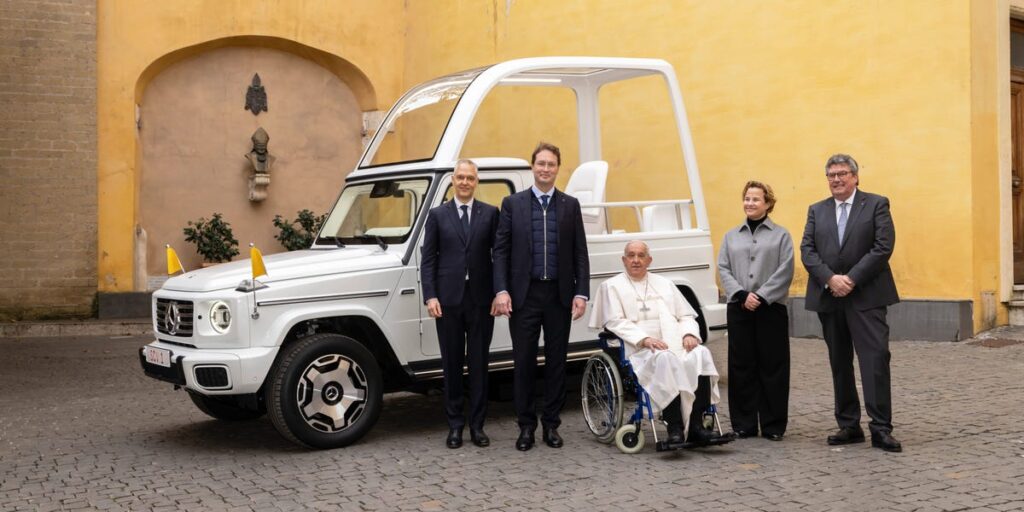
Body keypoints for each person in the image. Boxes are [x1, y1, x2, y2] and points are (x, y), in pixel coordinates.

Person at [801, 153, 902, 452]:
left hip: (867, 296)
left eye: (842, 174)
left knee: (875, 361)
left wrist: (852, 279)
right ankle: (848, 424)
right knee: (840, 362)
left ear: (855, 176)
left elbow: (883, 246)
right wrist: (830, 279)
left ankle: (881, 427)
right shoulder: (816, 210)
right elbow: (807, 250)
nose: (836, 179)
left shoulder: (876, 204)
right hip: (829, 297)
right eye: (831, 175)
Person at [493, 142, 590, 451]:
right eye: (541, 164)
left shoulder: (570, 205)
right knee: (523, 363)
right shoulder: (512, 204)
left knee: (557, 363)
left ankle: (551, 425)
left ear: (557, 168)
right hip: (524, 296)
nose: (545, 169)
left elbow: (580, 254)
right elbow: (501, 252)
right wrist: (502, 289)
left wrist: (581, 292)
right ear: (532, 167)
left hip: (559, 296)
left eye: (551, 164)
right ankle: (525, 427)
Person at [590, 240, 726, 445]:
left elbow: (686, 316)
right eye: (631, 255)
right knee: (664, 359)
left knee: (700, 354)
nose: (636, 260)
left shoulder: (665, 284)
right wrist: (644, 339)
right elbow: (614, 321)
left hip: (674, 343)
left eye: (641, 255)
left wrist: (689, 334)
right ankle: (675, 427)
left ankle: (697, 426)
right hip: (640, 350)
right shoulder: (611, 286)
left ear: (649, 260)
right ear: (624, 260)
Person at [420, 159, 500, 449]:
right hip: (448, 301)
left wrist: (498, 292)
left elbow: (498, 257)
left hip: (481, 301)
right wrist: (431, 296)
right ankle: (455, 426)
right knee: (452, 365)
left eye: (470, 178)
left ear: (476, 182)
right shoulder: (437, 215)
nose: (465, 182)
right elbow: (428, 259)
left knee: (479, 365)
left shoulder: (490, 214)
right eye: (460, 177)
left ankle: (477, 426)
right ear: (452, 180)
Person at [717, 181, 794, 441]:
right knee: (741, 366)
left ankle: (773, 425)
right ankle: (743, 424)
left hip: (770, 309)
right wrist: (740, 294)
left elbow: (786, 269)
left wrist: (761, 296)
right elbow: (723, 267)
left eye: (756, 199)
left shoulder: (781, 235)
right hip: (738, 308)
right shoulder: (731, 235)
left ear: (768, 203)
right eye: (747, 199)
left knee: (773, 366)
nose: (750, 203)